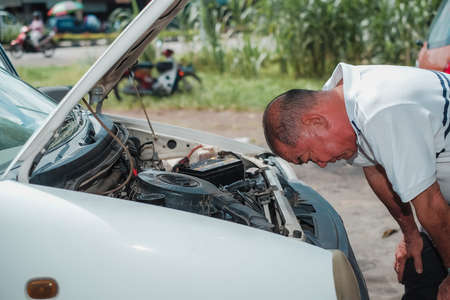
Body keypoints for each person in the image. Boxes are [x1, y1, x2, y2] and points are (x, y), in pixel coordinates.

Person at [263, 63, 449, 300]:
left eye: (308, 156)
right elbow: (374, 166)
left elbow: (431, 204)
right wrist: (410, 233)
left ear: (316, 121)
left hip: (440, 203)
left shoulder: (381, 111)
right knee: (418, 272)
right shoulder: (341, 100)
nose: (321, 164)